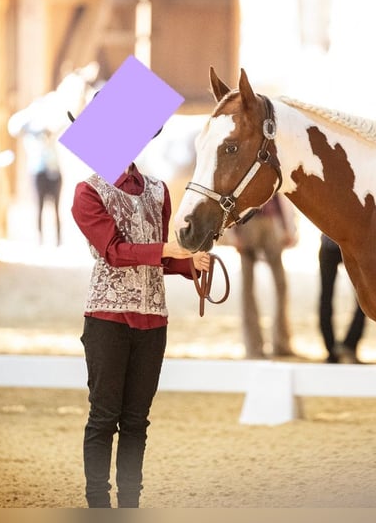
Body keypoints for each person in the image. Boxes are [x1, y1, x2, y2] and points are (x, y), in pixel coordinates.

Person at [71, 159, 211, 508]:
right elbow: (115, 252)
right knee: (103, 416)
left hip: (153, 319)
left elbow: (159, 258)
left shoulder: (157, 190)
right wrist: (169, 250)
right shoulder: (87, 193)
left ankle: (130, 504)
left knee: (136, 421)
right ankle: (99, 505)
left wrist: (188, 263)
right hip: (107, 318)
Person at [227, 193, 297, 359]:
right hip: (245, 224)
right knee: (247, 288)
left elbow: (275, 191)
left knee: (281, 284)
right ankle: (253, 347)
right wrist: (232, 234)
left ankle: (282, 343)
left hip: (270, 222)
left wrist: (288, 227)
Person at [318, 233, 367, 363]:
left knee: (326, 297)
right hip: (350, 246)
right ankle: (347, 346)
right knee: (363, 298)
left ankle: (333, 350)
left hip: (332, 245)